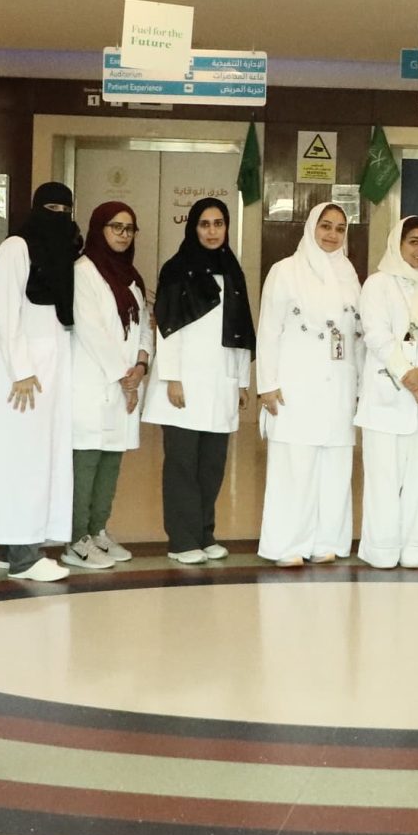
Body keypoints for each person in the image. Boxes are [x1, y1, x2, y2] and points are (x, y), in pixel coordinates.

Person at [0, 182, 78, 583]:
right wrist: (22, 369)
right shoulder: (16, 248)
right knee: (21, 462)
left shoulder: (63, 255)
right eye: (51, 208)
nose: (58, 217)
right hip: (19, 378)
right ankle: (26, 557)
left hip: (44, 375)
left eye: (65, 210)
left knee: (32, 460)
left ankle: (12, 551)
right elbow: (3, 313)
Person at [145, 196, 253, 565]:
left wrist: (241, 381)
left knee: (211, 466)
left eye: (218, 223)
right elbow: (168, 327)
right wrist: (172, 377)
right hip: (184, 385)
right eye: (204, 224)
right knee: (182, 465)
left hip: (221, 383)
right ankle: (182, 540)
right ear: (193, 228)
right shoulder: (177, 269)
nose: (212, 231)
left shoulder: (232, 271)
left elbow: (240, 331)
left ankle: (205, 534)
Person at [256, 201, 361, 566]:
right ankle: (288, 545)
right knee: (295, 467)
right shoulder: (285, 271)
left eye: (340, 228)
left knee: (335, 467)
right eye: (325, 226)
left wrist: (360, 388)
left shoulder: (349, 273)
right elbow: (268, 330)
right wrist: (267, 384)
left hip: (339, 387)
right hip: (295, 386)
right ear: (311, 227)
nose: (332, 234)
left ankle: (327, 541)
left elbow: (356, 335)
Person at [357, 216, 418, 570]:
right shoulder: (377, 284)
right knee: (383, 479)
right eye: (413, 241)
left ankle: (416, 549)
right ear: (397, 244)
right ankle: (382, 551)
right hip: (388, 393)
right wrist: (408, 378)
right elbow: (377, 336)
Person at [63, 200, 150, 570]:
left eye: (129, 228)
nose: (123, 234)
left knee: (111, 462)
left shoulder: (131, 277)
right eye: (116, 227)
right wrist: (124, 379)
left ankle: (97, 529)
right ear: (99, 229)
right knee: (86, 463)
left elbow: (144, 326)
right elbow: (92, 331)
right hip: (93, 385)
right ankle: (75, 539)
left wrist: (142, 365)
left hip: (124, 384)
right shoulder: (82, 272)